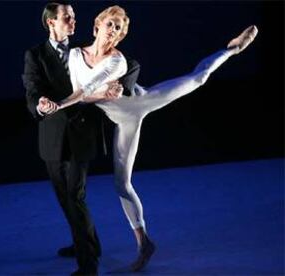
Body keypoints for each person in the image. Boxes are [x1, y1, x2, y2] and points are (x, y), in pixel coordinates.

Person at [48, 5, 258, 272]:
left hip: (143, 101)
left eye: (119, 29)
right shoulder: (76, 55)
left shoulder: (118, 61)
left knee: (199, 78)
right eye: (110, 24)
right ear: (96, 27)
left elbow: (86, 91)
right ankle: (145, 242)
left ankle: (231, 49)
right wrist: (68, 100)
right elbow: (81, 90)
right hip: (124, 120)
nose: (113, 31)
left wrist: (71, 100)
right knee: (122, 184)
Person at [22, 2, 140, 275]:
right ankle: (87, 244)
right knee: (64, 197)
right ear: (51, 22)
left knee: (76, 195)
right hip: (52, 133)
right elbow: (32, 90)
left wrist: (124, 87)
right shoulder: (36, 55)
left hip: (82, 132)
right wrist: (40, 104)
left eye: (74, 17)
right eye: (67, 17)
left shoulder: (85, 51)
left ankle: (88, 264)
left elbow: (130, 64)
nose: (73, 21)